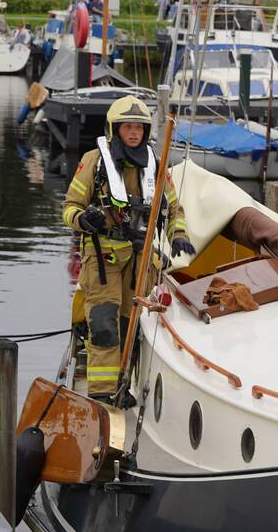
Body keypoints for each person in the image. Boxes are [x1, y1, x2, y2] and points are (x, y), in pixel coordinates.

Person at [62, 96, 195, 400]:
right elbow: (69, 208)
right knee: (104, 326)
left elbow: (174, 209)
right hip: (103, 260)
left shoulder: (156, 165)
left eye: (139, 127)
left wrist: (177, 235)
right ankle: (101, 395)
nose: (134, 133)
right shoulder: (94, 162)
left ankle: (122, 387)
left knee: (131, 327)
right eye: (128, 127)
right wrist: (85, 219)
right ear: (115, 129)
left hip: (140, 261)